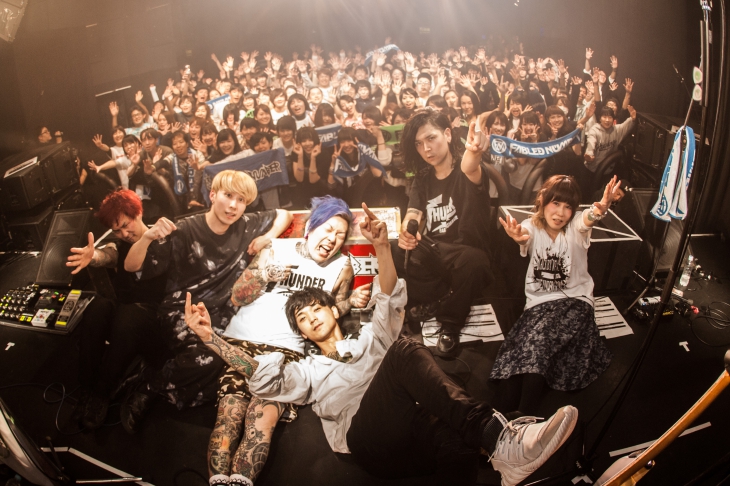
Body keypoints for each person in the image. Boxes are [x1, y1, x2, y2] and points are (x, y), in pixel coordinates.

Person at [184, 204, 579, 486]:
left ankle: (505, 461)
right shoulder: (308, 369)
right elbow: (262, 374)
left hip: (410, 433)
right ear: (302, 334)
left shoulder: (370, 338)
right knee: (404, 349)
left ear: (334, 310)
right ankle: (500, 436)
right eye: (303, 319)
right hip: (367, 441)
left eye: (316, 309)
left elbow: (389, 299)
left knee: (453, 439)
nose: (312, 318)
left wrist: (383, 247)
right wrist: (210, 338)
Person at [207, 196, 370, 486]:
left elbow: (335, 308)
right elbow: (237, 296)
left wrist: (352, 302)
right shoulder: (275, 249)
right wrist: (264, 275)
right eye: (328, 229)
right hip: (244, 341)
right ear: (311, 227)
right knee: (230, 414)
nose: (333, 238)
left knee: (262, 421)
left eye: (341, 234)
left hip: (287, 353)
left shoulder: (342, 266)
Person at [121, 170, 292, 432]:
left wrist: (268, 236)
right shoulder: (184, 228)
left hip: (223, 313)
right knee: (211, 357)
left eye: (241, 200)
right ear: (212, 195)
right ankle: (150, 386)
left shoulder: (246, 224)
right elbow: (132, 267)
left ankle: (160, 375)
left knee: (232, 363)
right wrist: (146, 237)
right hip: (183, 308)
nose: (234, 206)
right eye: (228, 196)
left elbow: (284, 214)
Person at [492, 175, 616, 415]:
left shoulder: (576, 226)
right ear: (542, 200)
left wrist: (599, 209)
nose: (560, 213)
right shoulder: (531, 225)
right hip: (538, 305)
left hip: (575, 302)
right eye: (556, 203)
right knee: (517, 354)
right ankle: (497, 421)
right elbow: (524, 233)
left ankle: (525, 416)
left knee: (538, 344)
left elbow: (588, 218)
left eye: (568, 206)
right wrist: (517, 235)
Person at [392, 108, 493, 356]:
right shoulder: (423, 177)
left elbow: (470, 166)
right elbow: (413, 213)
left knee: (474, 262)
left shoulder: (465, 170)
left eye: (431, 138)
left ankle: (450, 323)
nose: (426, 148)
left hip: (465, 253)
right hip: (436, 251)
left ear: (447, 134)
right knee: (394, 249)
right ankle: (442, 298)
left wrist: (473, 150)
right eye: (418, 144)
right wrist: (407, 233)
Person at [67, 189, 169, 430]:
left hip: (155, 319)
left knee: (128, 316)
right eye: (117, 230)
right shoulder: (121, 243)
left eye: (126, 225)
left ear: (138, 213)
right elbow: (109, 255)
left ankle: (101, 393)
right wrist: (94, 257)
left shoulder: (163, 239)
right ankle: (87, 388)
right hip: (126, 314)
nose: (124, 233)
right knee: (98, 306)